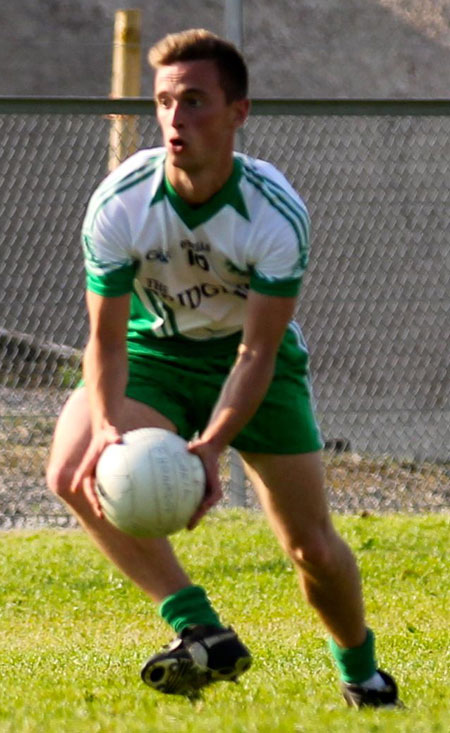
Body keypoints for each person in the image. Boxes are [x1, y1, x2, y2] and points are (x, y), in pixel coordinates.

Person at [47, 28, 399, 707]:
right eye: (164, 102)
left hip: (254, 365)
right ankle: (200, 628)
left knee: (313, 550)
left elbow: (258, 352)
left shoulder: (274, 213)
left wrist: (211, 446)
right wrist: (108, 430)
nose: (176, 119)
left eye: (196, 101)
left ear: (239, 112)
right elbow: (109, 343)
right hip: (156, 352)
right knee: (70, 471)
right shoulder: (119, 203)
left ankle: (364, 676)